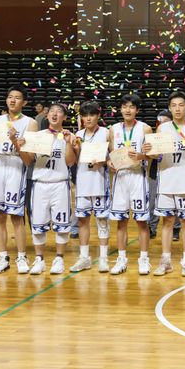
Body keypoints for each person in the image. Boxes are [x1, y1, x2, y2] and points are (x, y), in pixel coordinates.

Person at [0, 86, 38, 274]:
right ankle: (3, 257)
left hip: (16, 166)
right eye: (10, 97)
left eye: (17, 97)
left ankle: (22, 256)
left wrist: (15, 141)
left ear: (24, 102)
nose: (12, 100)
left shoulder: (30, 123)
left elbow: (29, 159)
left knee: (16, 215)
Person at [146, 90, 185, 276]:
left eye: (181, 105)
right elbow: (155, 155)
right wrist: (149, 151)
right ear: (170, 108)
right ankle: (166, 261)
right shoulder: (162, 129)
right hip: (166, 181)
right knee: (167, 221)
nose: (177, 109)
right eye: (174, 106)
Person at [20, 102, 76, 275]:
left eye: (59, 112)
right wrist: (21, 147)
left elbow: (70, 162)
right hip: (40, 184)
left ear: (64, 117)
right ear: (47, 115)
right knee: (38, 223)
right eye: (52, 111)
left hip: (60, 183)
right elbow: (28, 161)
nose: (55, 114)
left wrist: (68, 143)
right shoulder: (37, 136)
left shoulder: (69, 136)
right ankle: (39, 260)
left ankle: (59, 259)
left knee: (62, 224)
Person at [108, 93, 154, 275]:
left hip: (137, 177)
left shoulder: (145, 129)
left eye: (131, 107)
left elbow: (153, 155)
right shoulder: (113, 129)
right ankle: (121, 259)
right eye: (124, 106)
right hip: (120, 178)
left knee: (142, 222)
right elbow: (111, 155)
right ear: (120, 109)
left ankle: (144, 259)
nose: (128, 110)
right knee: (121, 222)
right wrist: (110, 163)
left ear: (137, 110)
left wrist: (142, 156)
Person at [69, 101, 112, 273]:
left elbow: (112, 158)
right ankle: (84, 257)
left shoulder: (106, 133)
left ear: (98, 116)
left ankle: (103, 258)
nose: (88, 118)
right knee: (82, 221)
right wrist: (74, 149)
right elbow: (74, 159)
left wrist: (103, 161)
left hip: (100, 182)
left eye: (92, 115)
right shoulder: (78, 135)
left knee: (102, 221)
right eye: (85, 115)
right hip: (83, 182)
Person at [146, 109, 177, 240]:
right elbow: (149, 156)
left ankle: (176, 228)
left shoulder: (178, 136)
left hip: (173, 172)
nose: (162, 124)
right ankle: (151, 227)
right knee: (152, 201)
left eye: (165, 121)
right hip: (156, 172)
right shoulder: (154, 137)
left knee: (174, 202)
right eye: (159, 121)